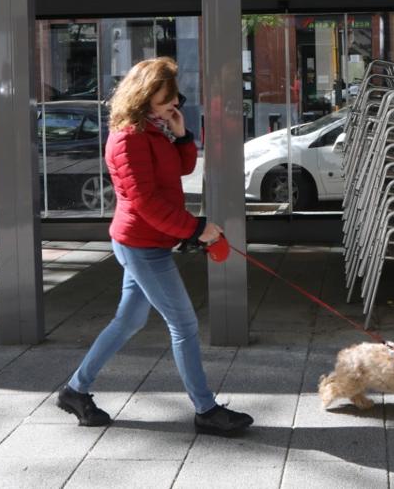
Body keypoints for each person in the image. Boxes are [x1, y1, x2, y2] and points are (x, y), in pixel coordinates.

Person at [57, 57, 254, 436]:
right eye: (167, 99)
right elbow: (145, 204)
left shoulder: (151, 130)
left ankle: (74, 390)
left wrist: (181, 136)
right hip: (141, 244)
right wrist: (196, 228)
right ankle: (206, 410)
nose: (174, 104)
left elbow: (179, 170)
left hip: (148, 241)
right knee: (184, 324)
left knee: (128, 320)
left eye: (175, 97)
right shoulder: (129, 139)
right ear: (144, 97)